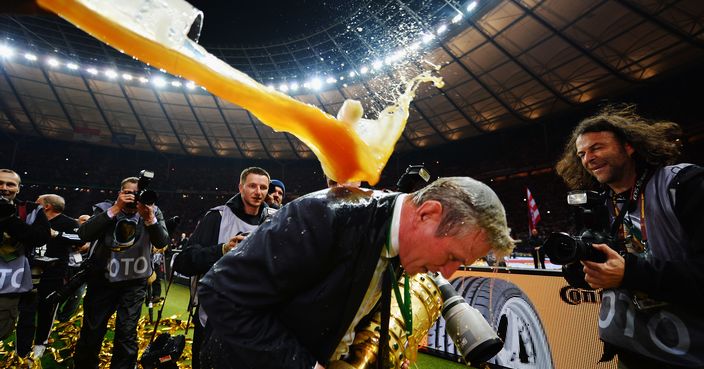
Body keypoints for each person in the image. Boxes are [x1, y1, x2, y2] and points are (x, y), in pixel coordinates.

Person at [197, 176, 514, 369]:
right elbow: (219, 294)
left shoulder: (398, 243)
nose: (448, 272)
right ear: (428, 214)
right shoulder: (324, 215)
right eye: (451, 257)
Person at [555, 106, 704, 368]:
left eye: (597, 147)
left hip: (689, 354)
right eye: (582, 154)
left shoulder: (684, 184)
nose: (588, 158)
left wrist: (629, 273)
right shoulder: (598, 204)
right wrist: (580, 268)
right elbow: (592, 276)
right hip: (630, 349)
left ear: (629, 147)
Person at [172, 166, 272, 369]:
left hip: (255, 321)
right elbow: (183, 262)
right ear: (241, 187)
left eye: (263, 187)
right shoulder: (217, 217)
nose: (258, 192)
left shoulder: (274, 220)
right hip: (213, 319)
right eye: (252, 186)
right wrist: (223, 249)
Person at [73, 176, 169, 369]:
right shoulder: (104, 209)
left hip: (134, 282)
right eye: (129, 193)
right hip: (102, 279)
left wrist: (149, 218)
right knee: (92, 330)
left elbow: (162, 242)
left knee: (127, 333)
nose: (134, 198)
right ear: (119, 194)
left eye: (137, 194)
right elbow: (84, 234)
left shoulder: (153, 212)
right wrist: (115, 209)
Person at [21, 194, 80, 360]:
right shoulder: (32, 220)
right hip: (29, 271)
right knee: (26, 309)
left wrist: (57, 235)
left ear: (46, 206)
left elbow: (81, 238)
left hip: (54, 274)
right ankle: (23, 346)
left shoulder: (68, 223)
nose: (34, 203)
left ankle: (41, 343)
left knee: (47, 309)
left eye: (38, 202)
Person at [0, 170, 51, 355]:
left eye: (10, 184)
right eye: (0, 183)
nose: (4, 188)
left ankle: (23, 353)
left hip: (11, 281)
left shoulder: (31, 209)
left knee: (4, 328)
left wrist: (8, 219)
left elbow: (40, 237)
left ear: (18, 189)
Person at [56, 214, 91, 323]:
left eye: (88, 221)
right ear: (77, 221)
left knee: (78, 294)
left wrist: (86, 246)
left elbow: (91, 245)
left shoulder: (91, 233)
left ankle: (65, 318)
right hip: (66, 266)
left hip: (81, 267)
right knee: (61, 291)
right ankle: (54, 313)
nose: (86, 222)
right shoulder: (69, 230)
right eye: (83, 220)